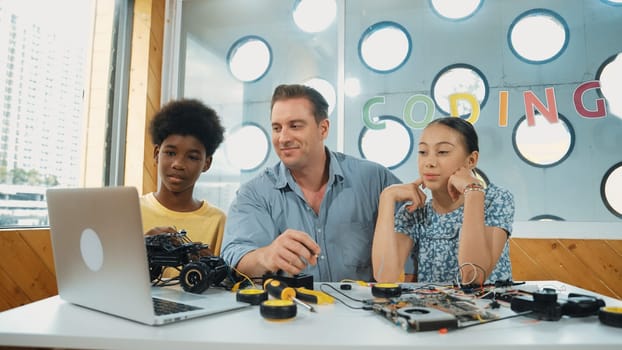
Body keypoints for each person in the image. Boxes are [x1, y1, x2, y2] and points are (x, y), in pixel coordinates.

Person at [220, 84, 401, 282]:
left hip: (368, 311)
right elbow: (234, 259)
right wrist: (266, 256)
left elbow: (413, 247)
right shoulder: (253, 194)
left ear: (323, 129)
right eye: (276, 128)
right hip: (290, 310)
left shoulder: (374, 180)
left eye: (295, 126)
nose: (283, 138)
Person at [371, 117, 514, 285]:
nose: (429, 163)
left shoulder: (496, 199)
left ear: (471, 160)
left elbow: (473, 277)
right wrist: (387, 198)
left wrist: (473, 191)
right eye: (423, 152)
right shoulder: (416, 212)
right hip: (431, 310)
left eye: (443, 152)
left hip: (489, 308)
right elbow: (384, 276)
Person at [140, 98, 226, 257]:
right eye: (171, 153)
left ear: (207, 163)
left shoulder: (218, 221)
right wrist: (143, 245)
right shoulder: (133, 212)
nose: (178, 164)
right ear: (157, 154)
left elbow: (228, 279)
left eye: (192, 157)